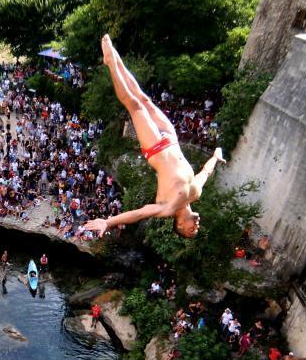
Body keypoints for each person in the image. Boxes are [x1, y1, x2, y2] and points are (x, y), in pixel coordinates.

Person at [84, 36, 226, 239]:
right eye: (197, 229)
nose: (197, 225)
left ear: (179, 224)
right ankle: (114, 57)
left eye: (191, 230)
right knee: (144, 99)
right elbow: (205, 173)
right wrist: (216, 157)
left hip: (155, 147)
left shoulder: (166, 208)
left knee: (135, 106)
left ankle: (111, 63)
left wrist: (108, 222)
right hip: (171, 138)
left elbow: (139, 213)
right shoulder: (196, 193)